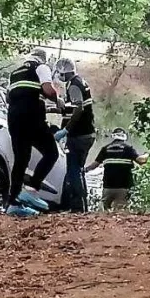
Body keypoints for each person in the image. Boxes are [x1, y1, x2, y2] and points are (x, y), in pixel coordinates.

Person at [5, 48, 62, 217]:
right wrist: (58, 100)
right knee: (51, 153)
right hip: (32, 118)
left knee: (21, 160)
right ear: (42, 59)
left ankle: (13, 203)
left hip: (14, 119)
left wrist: (43, 104)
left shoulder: (15, 73)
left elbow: (11, 97)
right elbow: (48, 90)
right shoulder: (41, 67)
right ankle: (31, 190)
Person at [53, 57, 96, 212]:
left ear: (64, 72)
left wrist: (66, 130)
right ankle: (83, 207)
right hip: (88, 133)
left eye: (59, 73)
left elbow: (78, 109)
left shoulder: (73, 86)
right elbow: (73, 108)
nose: (59, 76)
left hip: (79, 135)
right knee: (79, 170)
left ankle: (77, 207)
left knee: (73, 170)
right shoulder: (80, 82)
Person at [84, 127, 148, 211]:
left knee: (104, 212)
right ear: (124, 137)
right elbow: (141, 160)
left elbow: (94, 165)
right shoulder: (128, 149)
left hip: (108, 187)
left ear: (113, 137)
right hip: (123, 187)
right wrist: (147, 154)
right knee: (120, 212)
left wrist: (84, 170)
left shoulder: (105, 149)